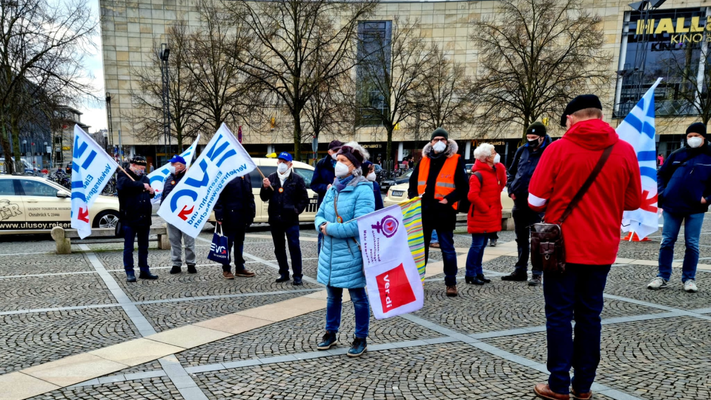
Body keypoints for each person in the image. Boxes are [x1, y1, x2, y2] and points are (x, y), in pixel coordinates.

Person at [528, 95, 642, 400]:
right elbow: (633, 201)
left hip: (561, 247)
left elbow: (534, 201)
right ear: (600, 117)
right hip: (602, 247)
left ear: (570, 118)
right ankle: (584, 386)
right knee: (591, 316)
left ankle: (558, 384)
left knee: (559, 315)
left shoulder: (558, 149)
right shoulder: (624, 150)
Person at [315, 142, 374, 358]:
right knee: (332, 297)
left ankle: (361, 337)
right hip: (329, 253)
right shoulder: (333, 188)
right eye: (337, 161)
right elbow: (319, 215)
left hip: (352, 253)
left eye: (343, 161)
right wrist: (321, 225)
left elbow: (359, 224)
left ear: (354, 166)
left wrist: (328, 229)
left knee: (358, 297)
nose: (338, 164)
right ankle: (330, 333)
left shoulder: (363, 190)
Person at [648, 122, 711, 293]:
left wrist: (707, 199)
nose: (692, 139)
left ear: (704, 137)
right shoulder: (677, 154)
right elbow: (661, 174)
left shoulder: (710, 156)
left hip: (695, 208)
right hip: (672, 204)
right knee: (667, 241)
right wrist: (662, 193)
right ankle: (662, 276)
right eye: (689, 136)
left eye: (696, 136)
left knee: (692, 244)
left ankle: (689, 278)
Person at [408, 127, 468, 297]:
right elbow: (413, 184)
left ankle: (451, 283)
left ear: (448, 142)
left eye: (443, 139)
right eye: (436, 139)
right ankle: (417, 281)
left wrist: (448, 199)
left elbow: (464, 187)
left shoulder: (456, 160)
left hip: (444, 210)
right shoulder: (424, 160)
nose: (439, 142)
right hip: (424, 210)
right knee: (421, 249)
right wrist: (414, 198)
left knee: (447, 248)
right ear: (431, 142)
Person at [502, 121, 552, 286]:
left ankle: (537, 273)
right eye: (528, 137)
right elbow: (512, 172)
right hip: (520, 200)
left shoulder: (550, 151)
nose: (530, 140)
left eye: (533, 137)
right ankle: (520, 269)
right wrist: (511, 189)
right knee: (521, 238)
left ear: (542, 137)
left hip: (538, 203)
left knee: (537, 238)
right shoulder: (522, 150)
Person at [260, 152, 309, 285]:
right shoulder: (271, 178)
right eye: (280, 161)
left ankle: (297, 275)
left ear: (290, 164)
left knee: (294, 247)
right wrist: (265, 188)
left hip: (291, 220)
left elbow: (304, 199)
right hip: (275, 219)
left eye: (285, 162)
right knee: (279, 247)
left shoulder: (297, 179)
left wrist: (296, 210)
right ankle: (284, 272)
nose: (282, 164)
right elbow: (264, 197)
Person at [464, 143, 502, 285]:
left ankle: (478, 272)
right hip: (481, 216)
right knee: (477, 245)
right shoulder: (478, 175)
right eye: (493, 152)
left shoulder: (492, 171)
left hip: (487, 215)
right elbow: (472, 196)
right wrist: (486, 209)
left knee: (482, 245)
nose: (496, 154)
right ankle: (470, 273)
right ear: (487, 158)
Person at [117, 156, 158, 282]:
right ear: (133, 165)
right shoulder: (123, 175)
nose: (142, 170)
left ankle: (144, 270)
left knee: (144, 247)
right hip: (129, 218)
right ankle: (129, 271)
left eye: (143, 168)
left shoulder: (145, 178)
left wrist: (151, 192)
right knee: (129, 247)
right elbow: (125, 185)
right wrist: (142, 186)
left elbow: (150, 192)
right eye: (140, 168)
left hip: (144, 218)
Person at [214, 172, 256, 280]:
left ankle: (240, 267)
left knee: (239, 243)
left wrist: (251, 212)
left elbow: (249, 195)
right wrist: (219, 214)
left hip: (243, 215)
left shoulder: (246, 175)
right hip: (229, 215)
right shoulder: (226, 174)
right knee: (228, 244)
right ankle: (226, 268)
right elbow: (218, 196)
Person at [161, 155, 196, 275]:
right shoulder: (168, 178)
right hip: (172, 216)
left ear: (180, 166)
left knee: (189, 242)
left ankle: (191, 263)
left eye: (173, 164)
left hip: (186, 215)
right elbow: (164, 196)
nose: (171, 166)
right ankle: (176, 264)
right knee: (174, 241)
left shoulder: (188, 177)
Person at [311, 140, 343, 254]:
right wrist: (326, 187)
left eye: (340, 150)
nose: (338, 152)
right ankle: (322, 260)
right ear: (329, 152)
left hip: (342, 205)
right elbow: (314, 184)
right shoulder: (322, 164)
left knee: (340, 235)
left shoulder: (346, 163)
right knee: (323, 234)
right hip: (326, 204)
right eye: (335, 150)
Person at [488, 153, 507, 247]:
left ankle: (493, 237)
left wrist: (497, 189)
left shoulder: (499, 166)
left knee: (494, 216)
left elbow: (503, 181)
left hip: (494, 195)